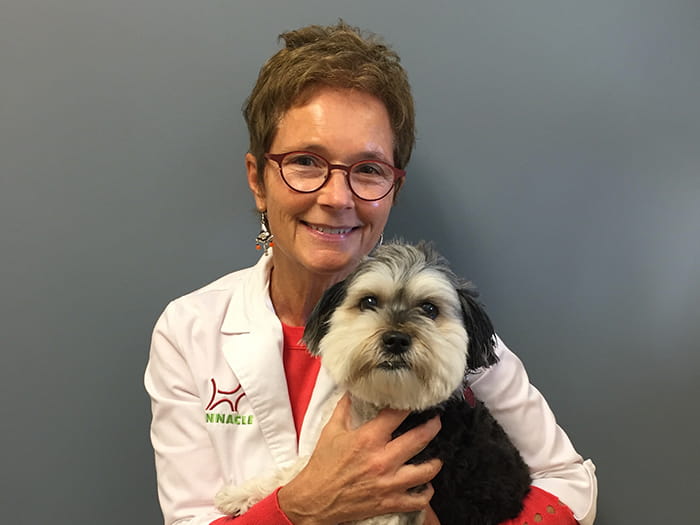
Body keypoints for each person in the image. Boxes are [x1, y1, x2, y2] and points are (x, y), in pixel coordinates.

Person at [145, 21, 597, 525]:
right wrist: (297, 508)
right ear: (258, 180)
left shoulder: (448, 327)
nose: (336, 197)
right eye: (305, 162)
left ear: (393, 190)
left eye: (368, 170)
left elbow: (569, 484)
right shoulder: (189, 331)